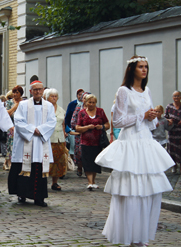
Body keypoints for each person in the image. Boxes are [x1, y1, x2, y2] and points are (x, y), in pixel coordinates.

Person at [95, 56, 173, 246]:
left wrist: (152, 116)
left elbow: (152, 124)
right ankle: (129, 234)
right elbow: (119, 121)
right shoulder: (123, 91)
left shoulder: (147, 90)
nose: (144, 70)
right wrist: (142, 115)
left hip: (146, 141)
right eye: (140, 67)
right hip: (130, 142)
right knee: (130, 188)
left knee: (148, 189)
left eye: (146, 67)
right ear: (132, 69)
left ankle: (142, 236)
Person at [8, 80, 56, 207]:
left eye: (40, 89)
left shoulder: (49, 106)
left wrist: (39, 130)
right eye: (35, 90)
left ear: (43, 90)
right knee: (23, 169)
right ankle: (22, 195)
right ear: (30, 91)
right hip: (26, 142)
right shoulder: (23, 105)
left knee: (39, 171)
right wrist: (31, 130)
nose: (38, 92)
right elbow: (18, 121)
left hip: (41, 142)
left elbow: (52, 122)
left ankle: (39, 198)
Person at [75, 94, 109, 190]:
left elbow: (107, 124)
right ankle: (90, 182)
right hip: (85, 141)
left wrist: (101, 127)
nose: (91, 104)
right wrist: (87, 127)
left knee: (95, 162)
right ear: (86, 102)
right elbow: (77, 127)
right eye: (89, 102)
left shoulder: (100, 111)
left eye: (93, 102)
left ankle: (93, 181)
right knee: (87, 162)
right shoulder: (82, 113)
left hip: (98, 141)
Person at [45, 88, 68, 191]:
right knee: (46, 160)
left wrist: (64, 137)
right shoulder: (44, 109)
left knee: (58, 160)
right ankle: (43, 181)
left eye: (55, 96)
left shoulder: (61, 110)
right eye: (52, 96)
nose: (54, 98)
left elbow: (63, 124)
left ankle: (55, 182)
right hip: (49, 138)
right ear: (47, 98)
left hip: (59, 139)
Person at [71, 92, 90, 177]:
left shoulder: (95, 109)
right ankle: (79, 167)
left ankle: (88, 170)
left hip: (91, 134)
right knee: (79, 152)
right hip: (80, 134)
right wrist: (77, 128)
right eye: (84, 98)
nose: (86, 100)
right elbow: (73, 121)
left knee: (88, 152)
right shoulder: (78, 108)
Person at [4, 85, 24, 171]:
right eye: (14, 92)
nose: (15, 94)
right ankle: (9, 161)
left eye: (17, 92)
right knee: (10, 143)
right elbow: (6, 114)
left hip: (22, 126)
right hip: (11, 126)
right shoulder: (9, 102)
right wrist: (15, 107)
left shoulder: (24, 102)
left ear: (21, 94)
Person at [165, 90, 181, 174]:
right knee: (172, 149)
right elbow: (165, 117)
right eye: (175, 96)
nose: (176, 97)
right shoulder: (169, 106)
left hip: (180, 132)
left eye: (178, 96)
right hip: (172, 131)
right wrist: (169, 120)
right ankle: (174, 165)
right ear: (172, 97)